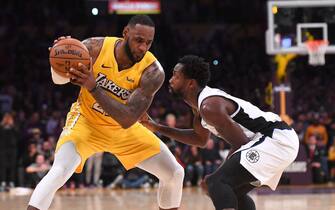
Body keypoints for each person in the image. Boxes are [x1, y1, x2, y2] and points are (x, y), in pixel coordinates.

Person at [27, 15, 184, 210]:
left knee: (174, 173)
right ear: (125, 33)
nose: (143, 47)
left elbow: (127, 119)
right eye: (138, 40)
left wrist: (94, 87)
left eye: (148, 43)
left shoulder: (153, 72)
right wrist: (58, 61)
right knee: (59, 171)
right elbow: (60, 81)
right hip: (86, 123)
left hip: (124, 131)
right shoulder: (94, 48)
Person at [140, 55, 299, 210]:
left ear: (190, 84)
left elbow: (241, 143)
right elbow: (200, 139)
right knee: (232, 192)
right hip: (271, 141)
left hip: (276, 139)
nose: (170, 79)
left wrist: (216, 175)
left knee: (217, 183)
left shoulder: (209, 106)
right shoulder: (199, 109)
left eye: (176, 75)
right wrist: (157, 128)